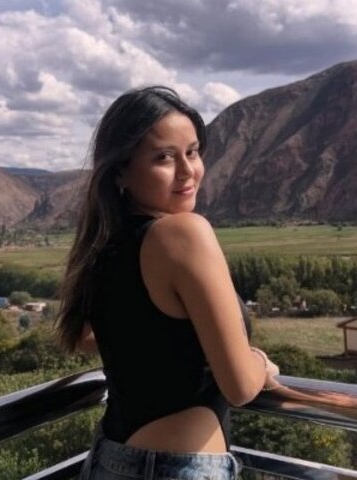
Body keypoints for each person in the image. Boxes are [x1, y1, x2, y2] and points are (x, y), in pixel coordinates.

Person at [54, 85, 279, 480]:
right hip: (173, 468)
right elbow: (240, 386)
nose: (188, 171)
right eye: (164, 157)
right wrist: (258, 360)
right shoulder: (183, 233)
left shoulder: (106, 243)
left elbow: (90, 337)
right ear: (121, 171)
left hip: (110, 457)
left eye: (192, 152)